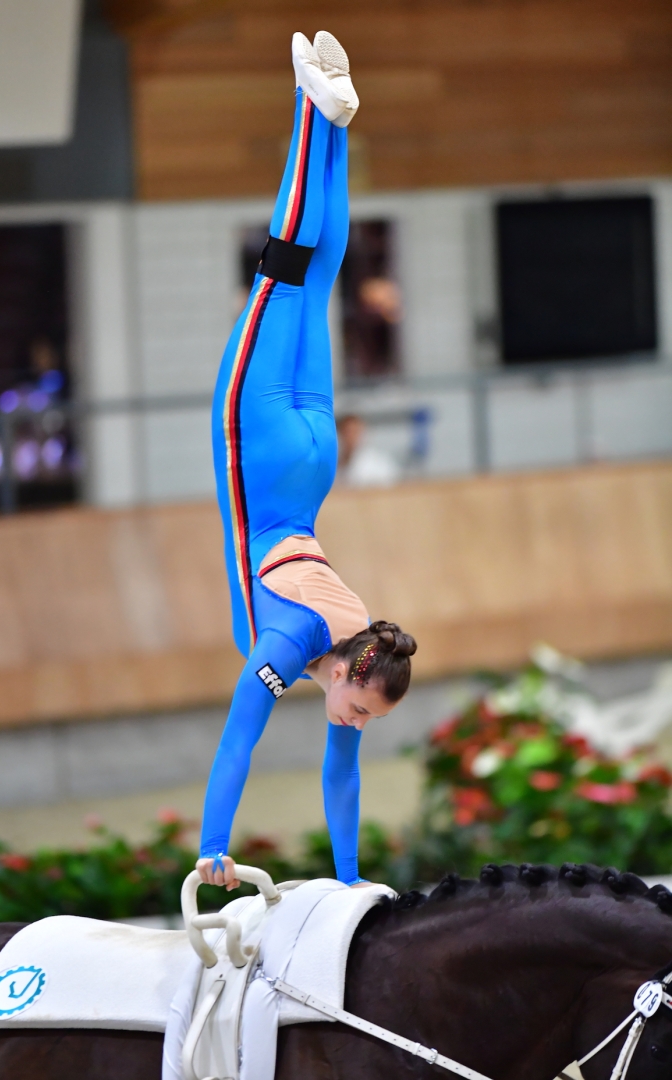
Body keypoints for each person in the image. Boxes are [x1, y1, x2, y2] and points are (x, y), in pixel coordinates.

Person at [196, 31, 417, 892]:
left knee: (314, 280)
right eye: (358, 709)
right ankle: (310, 108)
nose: (351, 722)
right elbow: (237, 738)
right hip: (263, 452)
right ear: (355, 673)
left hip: (317, 459)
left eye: (361, 717)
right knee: (280, 272)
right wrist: (213, 847)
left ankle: (335, 124)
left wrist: (352, 884)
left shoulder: (357, 633)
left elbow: (341, 777)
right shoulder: (292, 644)